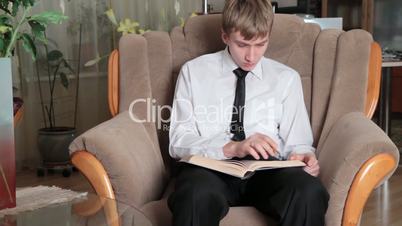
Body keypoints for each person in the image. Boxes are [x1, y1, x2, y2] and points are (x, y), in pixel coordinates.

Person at [167, 0, 329, 225]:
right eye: (242, 45)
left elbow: (299, 142)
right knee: (195, 195)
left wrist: (303, 155)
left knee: (308, 192)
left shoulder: (286, 78)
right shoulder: (193, 73)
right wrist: (232, 148)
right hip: (210, 169)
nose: (251, 56)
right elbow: (178, 141)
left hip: (267, 171)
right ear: (225, 36)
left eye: (261, 44)